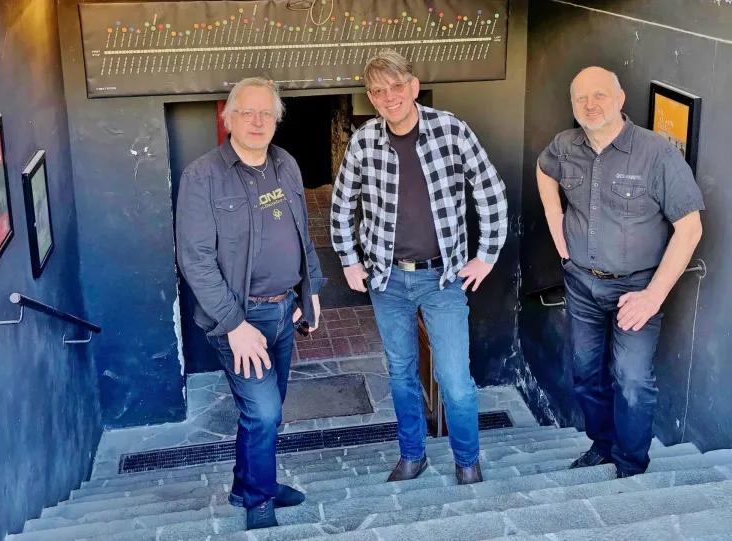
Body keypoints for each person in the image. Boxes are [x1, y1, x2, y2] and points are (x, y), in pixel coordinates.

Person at [331, 50, 508, 485]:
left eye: (397, 86)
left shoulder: (451, 129)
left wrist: (486, 255)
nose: (389, 97)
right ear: (371, 97)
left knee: (455, 380)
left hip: (442, 278)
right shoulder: (364, 141)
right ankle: (413, 455)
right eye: (378, 91)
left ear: (413, 86)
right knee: (401, 373)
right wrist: (349, 260)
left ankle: (467, 462)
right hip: (387, 279)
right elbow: (342, 204)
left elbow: (490, 191)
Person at [536, 66, 704, 477]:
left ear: (620, 99)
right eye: (581, 98)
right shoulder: (565, 145)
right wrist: (556, 224)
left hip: (637, 288)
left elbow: (690, 228)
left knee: (632, 379)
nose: (590, 105)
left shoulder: (657, 154)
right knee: (585, 375)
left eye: (600, 95)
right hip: (580, 284)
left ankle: (630, 466)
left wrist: (652, 296)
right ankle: (603, 445)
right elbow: (543, 169)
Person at [176, 77, 325, 530]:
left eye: (267, 113)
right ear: (229, 118)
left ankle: (247, 484)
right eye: (247, 112)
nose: (257, 121)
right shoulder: (202, 177)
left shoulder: (287, 165)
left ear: (277, 120)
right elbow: (195, 260)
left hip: (284, 310)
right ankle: (259, 500)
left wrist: (311, 290)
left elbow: (302, 234)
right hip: (241, 318)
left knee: (266, 411)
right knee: (264, 412)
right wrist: (235, 325)